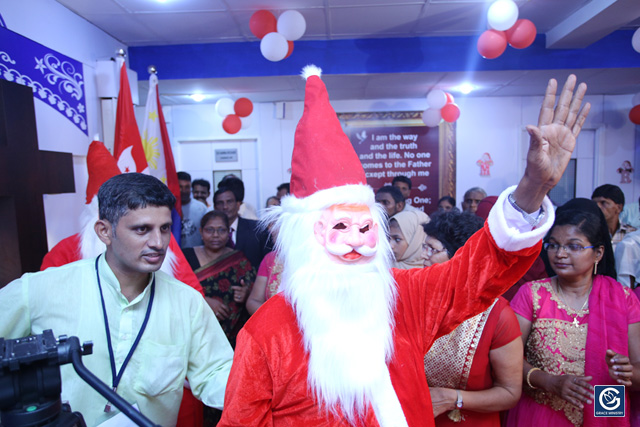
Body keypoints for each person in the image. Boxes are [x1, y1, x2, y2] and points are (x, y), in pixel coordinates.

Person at [218, 66, 590, 427]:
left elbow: (477, 274)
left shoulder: (404, 298)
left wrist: (532, 187)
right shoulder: (266, 333)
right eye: (339, 227)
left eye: (364, 227)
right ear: (304, 237)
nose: (354, 242)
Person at [0, 173, 233, 426]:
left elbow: (216, 374)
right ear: (104, 232)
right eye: (142, 229)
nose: (158, 243)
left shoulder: (188, 302)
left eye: (164, 228)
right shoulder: (40, 290)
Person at [506, 200, 640, 427]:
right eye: (554, 245)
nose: (560, 253)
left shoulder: (623, 299)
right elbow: (507, 362)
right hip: (541, 415)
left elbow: (637, 372)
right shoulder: (532, 295)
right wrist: (548, 381)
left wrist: (627, 373)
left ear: (598, 253)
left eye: (574, 246)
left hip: (604, 410)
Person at [421, 211, 523, 426]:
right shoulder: (417, 300)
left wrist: (453, 399)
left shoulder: (497, 315)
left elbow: (510, 392)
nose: (423, 255)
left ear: (461, 258)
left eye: (432, 249)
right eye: (424, 246)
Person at [182, 210, 256, 348]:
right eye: (210, 230)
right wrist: (204, 301)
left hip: (231, 337)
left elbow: (254, 290)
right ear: (201, 232)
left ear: (228, 232)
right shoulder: (186, 257)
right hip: (195, 331)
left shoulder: (238, 259)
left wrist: (246, 293)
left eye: (221, 230)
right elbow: (176, 291)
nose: (215, 235)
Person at [214, 186, 270, 270]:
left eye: (229, 202)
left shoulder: (257, 228)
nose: (225, 206)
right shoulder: (210, 233)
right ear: (215, 207)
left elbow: (269, 259)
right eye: (220, 203)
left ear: (238, 205)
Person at [591, 184, 637, 250]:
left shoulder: (632, 233)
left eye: (603, 203)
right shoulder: (589, 233)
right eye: (594, 203)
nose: (597, 207)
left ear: (619, 208)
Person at [179, 171, 208, 248]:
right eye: (180, 187)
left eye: (187, 187)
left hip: (198, 254)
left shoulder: (201, 208)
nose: (184, 190)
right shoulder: (170, 208)